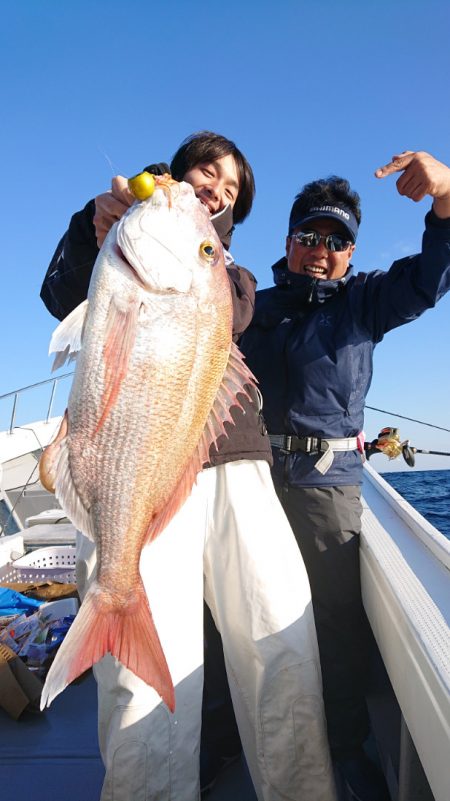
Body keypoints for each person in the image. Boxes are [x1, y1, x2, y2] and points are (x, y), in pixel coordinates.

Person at [41, 131, 337, 801]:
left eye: (231, 191)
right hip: (137, 471)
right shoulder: (118, 238)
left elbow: (220, 306)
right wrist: (93, 227)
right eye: (208, 172)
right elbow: (60, 296)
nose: (217, 188)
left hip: (236, 469)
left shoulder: (228, 278)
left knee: (279, 635)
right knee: (145, 677)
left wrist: (193, 246)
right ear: (175, 177)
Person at [236, 149, 450, 801]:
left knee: (332, 619)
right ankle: (231, 737)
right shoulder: (248, 304)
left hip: (328, 489)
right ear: (289, 240)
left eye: (337, 239)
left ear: (351, 253)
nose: (322, 249)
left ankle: (345, 748)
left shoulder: (364, 302)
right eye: (310, 235)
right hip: (248, 483)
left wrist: (446, 198)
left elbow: (432, 276)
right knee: (241, 614)